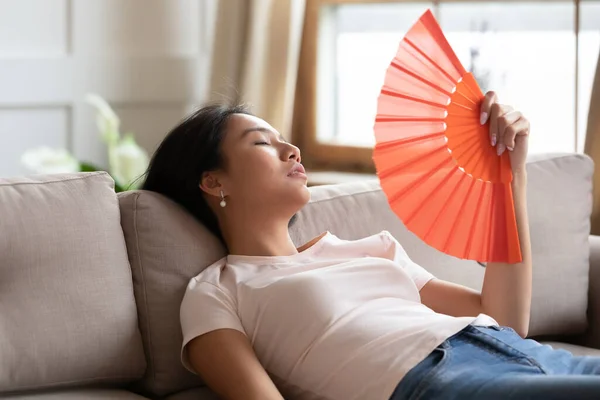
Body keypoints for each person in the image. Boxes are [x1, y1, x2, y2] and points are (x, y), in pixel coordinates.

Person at [141, 92, 600, 400]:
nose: (292, 150)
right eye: (263, 142)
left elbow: (506, 320)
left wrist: (508, 176)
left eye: (286, 141)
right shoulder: (217, 290)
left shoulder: (368, 248)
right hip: (438, 380)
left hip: (527, 354)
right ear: (212, 180)